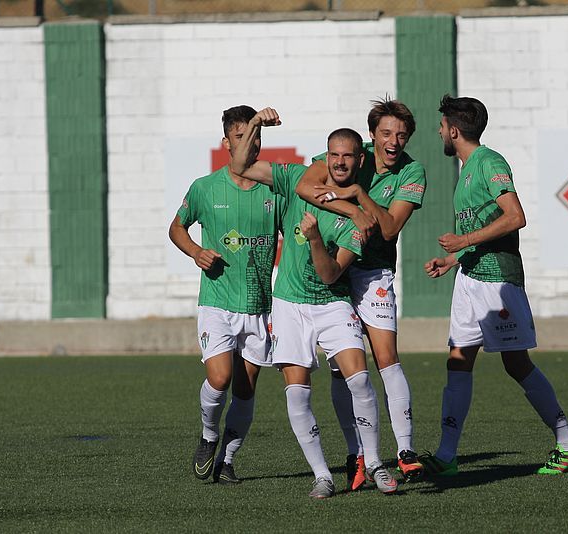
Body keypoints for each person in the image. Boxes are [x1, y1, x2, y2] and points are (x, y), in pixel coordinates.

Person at [230, 107, 398, 499]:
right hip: (289, 304)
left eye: (348, 157)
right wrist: (255, 124)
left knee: (359, 378)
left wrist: (316, 239)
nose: (339, 163)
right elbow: (240, 165)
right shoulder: (295, 181)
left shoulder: (362, 221)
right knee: (298, 391)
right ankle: (322, 474)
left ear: (360, 161)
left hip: (331, 303)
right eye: (333, 155)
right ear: (325, 157)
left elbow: (330, 275)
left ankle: (373, 462)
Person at [422, 94, 568, 476]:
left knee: (516, 363)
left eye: (442, 127)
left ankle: (567, 441)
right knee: (458, 362)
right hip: (469, 276)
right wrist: (453, 259)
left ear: (454, 130)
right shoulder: (466, 170)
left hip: (497, 280)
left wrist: (463, 241)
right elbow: (483, 230)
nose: (440, 133)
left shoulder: (489, 162)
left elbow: (515, 217)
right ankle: (447, 456)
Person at [294, 98, 426, 488]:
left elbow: (387, 229)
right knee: (342, 369)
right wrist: (351, 209)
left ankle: (405, 451)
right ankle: (357, 455)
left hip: (372, 275)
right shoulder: (352, 153)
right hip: (334, 273)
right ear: (372, 135)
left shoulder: (412, 171)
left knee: (386, 358)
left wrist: (356, 195)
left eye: (401, 134)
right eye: (386, 133)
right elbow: (304, 184)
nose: (393, 140)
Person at [169, 105, 281, 485]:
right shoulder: (205, 187)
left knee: (246, 389)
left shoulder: (274, 190)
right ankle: (208, 436)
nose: (250, 143)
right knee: (220, 378)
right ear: (226, 142)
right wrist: (196, 252)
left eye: (255, 136)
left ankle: (228, 460)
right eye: (241, 136)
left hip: (258, 305)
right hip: (217, 301)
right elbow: (177, 228)